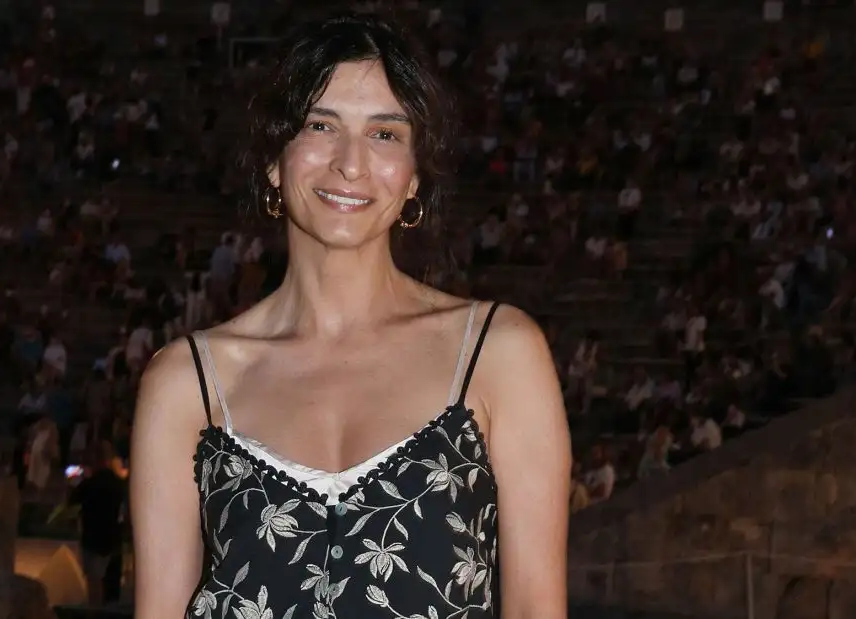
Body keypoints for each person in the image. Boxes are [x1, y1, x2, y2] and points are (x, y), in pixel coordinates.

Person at [131, 14, 570, 619]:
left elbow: (536, 608)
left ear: (414, 177)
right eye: (320, 125)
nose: (351, 163)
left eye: (385, 134)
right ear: (274, 159)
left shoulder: (498, 354)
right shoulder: (187, 383)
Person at [69, 443, 127, 605]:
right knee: (111, 584)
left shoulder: (89, 484)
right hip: (113, 538)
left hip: (93, 538)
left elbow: (71, 503)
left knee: (94, 581)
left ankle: (95, 610)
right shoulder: (118, 483)